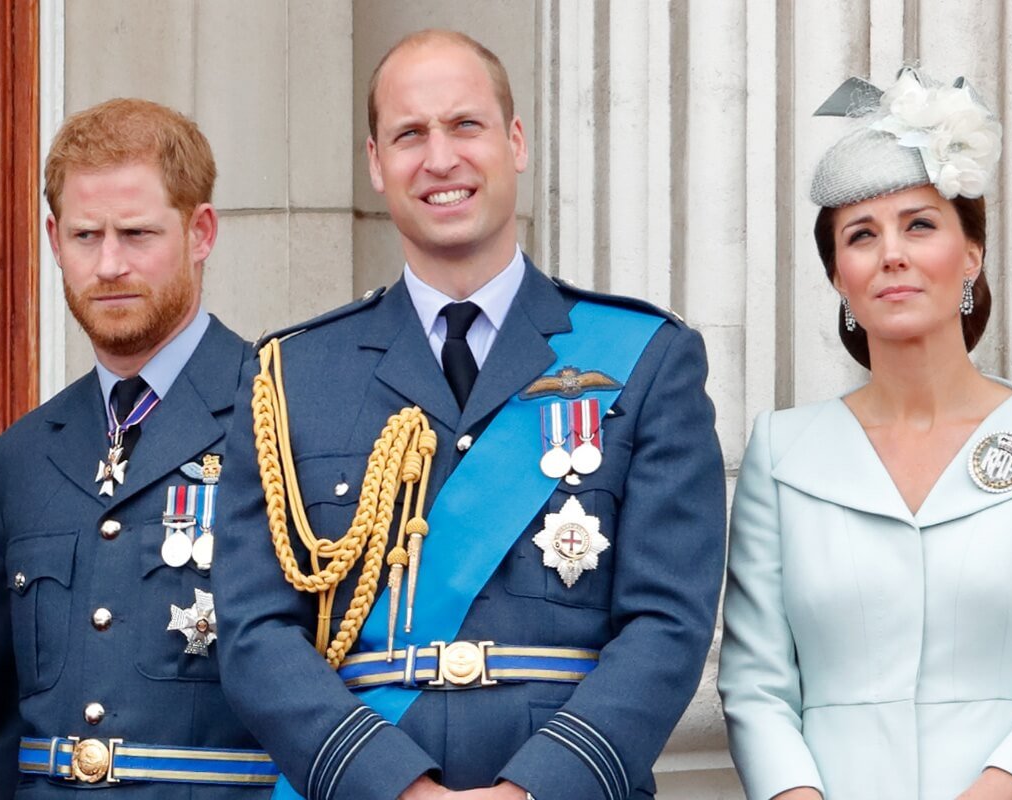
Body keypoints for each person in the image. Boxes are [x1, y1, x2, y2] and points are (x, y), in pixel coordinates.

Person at [212, 30, 726, 800]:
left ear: (515, 143)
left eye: (465, 125)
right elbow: (255, 634)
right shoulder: (290, 376)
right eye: (410, 134)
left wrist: (535, 790)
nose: (440, 158)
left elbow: (667, 624)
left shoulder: (645, 357)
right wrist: (395, 786)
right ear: (376, 164)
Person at [718, 69, 1012, 800]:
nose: (892, 255)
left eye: (920, 224)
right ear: (840, 277)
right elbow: (755, 686)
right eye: (861, 236)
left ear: (971, 254)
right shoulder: (781, 452)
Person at [0, 98, 274, 799]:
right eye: (85, 236)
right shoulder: (19, 457)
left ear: (201, 232)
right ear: (53, 240)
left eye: (137, 234)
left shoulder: (281, 415)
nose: (109, 264)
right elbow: (2, 730)